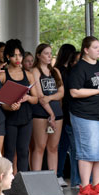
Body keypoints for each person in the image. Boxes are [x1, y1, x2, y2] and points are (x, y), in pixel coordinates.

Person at [69, 36, 99, 195]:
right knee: (88, 150)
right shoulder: (79, 68)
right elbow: (74, 92)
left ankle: (97, 184)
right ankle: (85, 186)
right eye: (95, 47)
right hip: (85, 115)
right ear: (86, 50)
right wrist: (98, 91)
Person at [2, 39, 38, 173]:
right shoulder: (2, 75)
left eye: (20, 55)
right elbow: (0, 102)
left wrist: (27, 97)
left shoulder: (28, 75)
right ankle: (8, 181)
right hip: (10, 118)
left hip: (26, 117)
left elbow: (35, 99)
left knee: (23, 151)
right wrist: (9, 106)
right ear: (7, 56)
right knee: (9, 152)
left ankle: (23, 182)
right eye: (14, 55)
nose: (18, 59)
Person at [31, 44, 64, 176]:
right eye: (46, 53)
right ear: (38, 55)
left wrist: (50, 98)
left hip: (57, 113)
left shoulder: (55, 71)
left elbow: (61, 92)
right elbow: (40, 96)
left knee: (53, 147)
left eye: (51, 53)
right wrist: (50, 113)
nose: (49, 56)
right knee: (40, 147)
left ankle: (53, 178)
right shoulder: (35, 71)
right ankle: (37, 179)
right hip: (41, 114)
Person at [54, 44, 79, 188]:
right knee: (66, 145)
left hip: (64, 112)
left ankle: (60, 174)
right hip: (66, 112)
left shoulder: (63, 71)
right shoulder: (64, 72)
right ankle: (63, 175)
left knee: (62, 146)